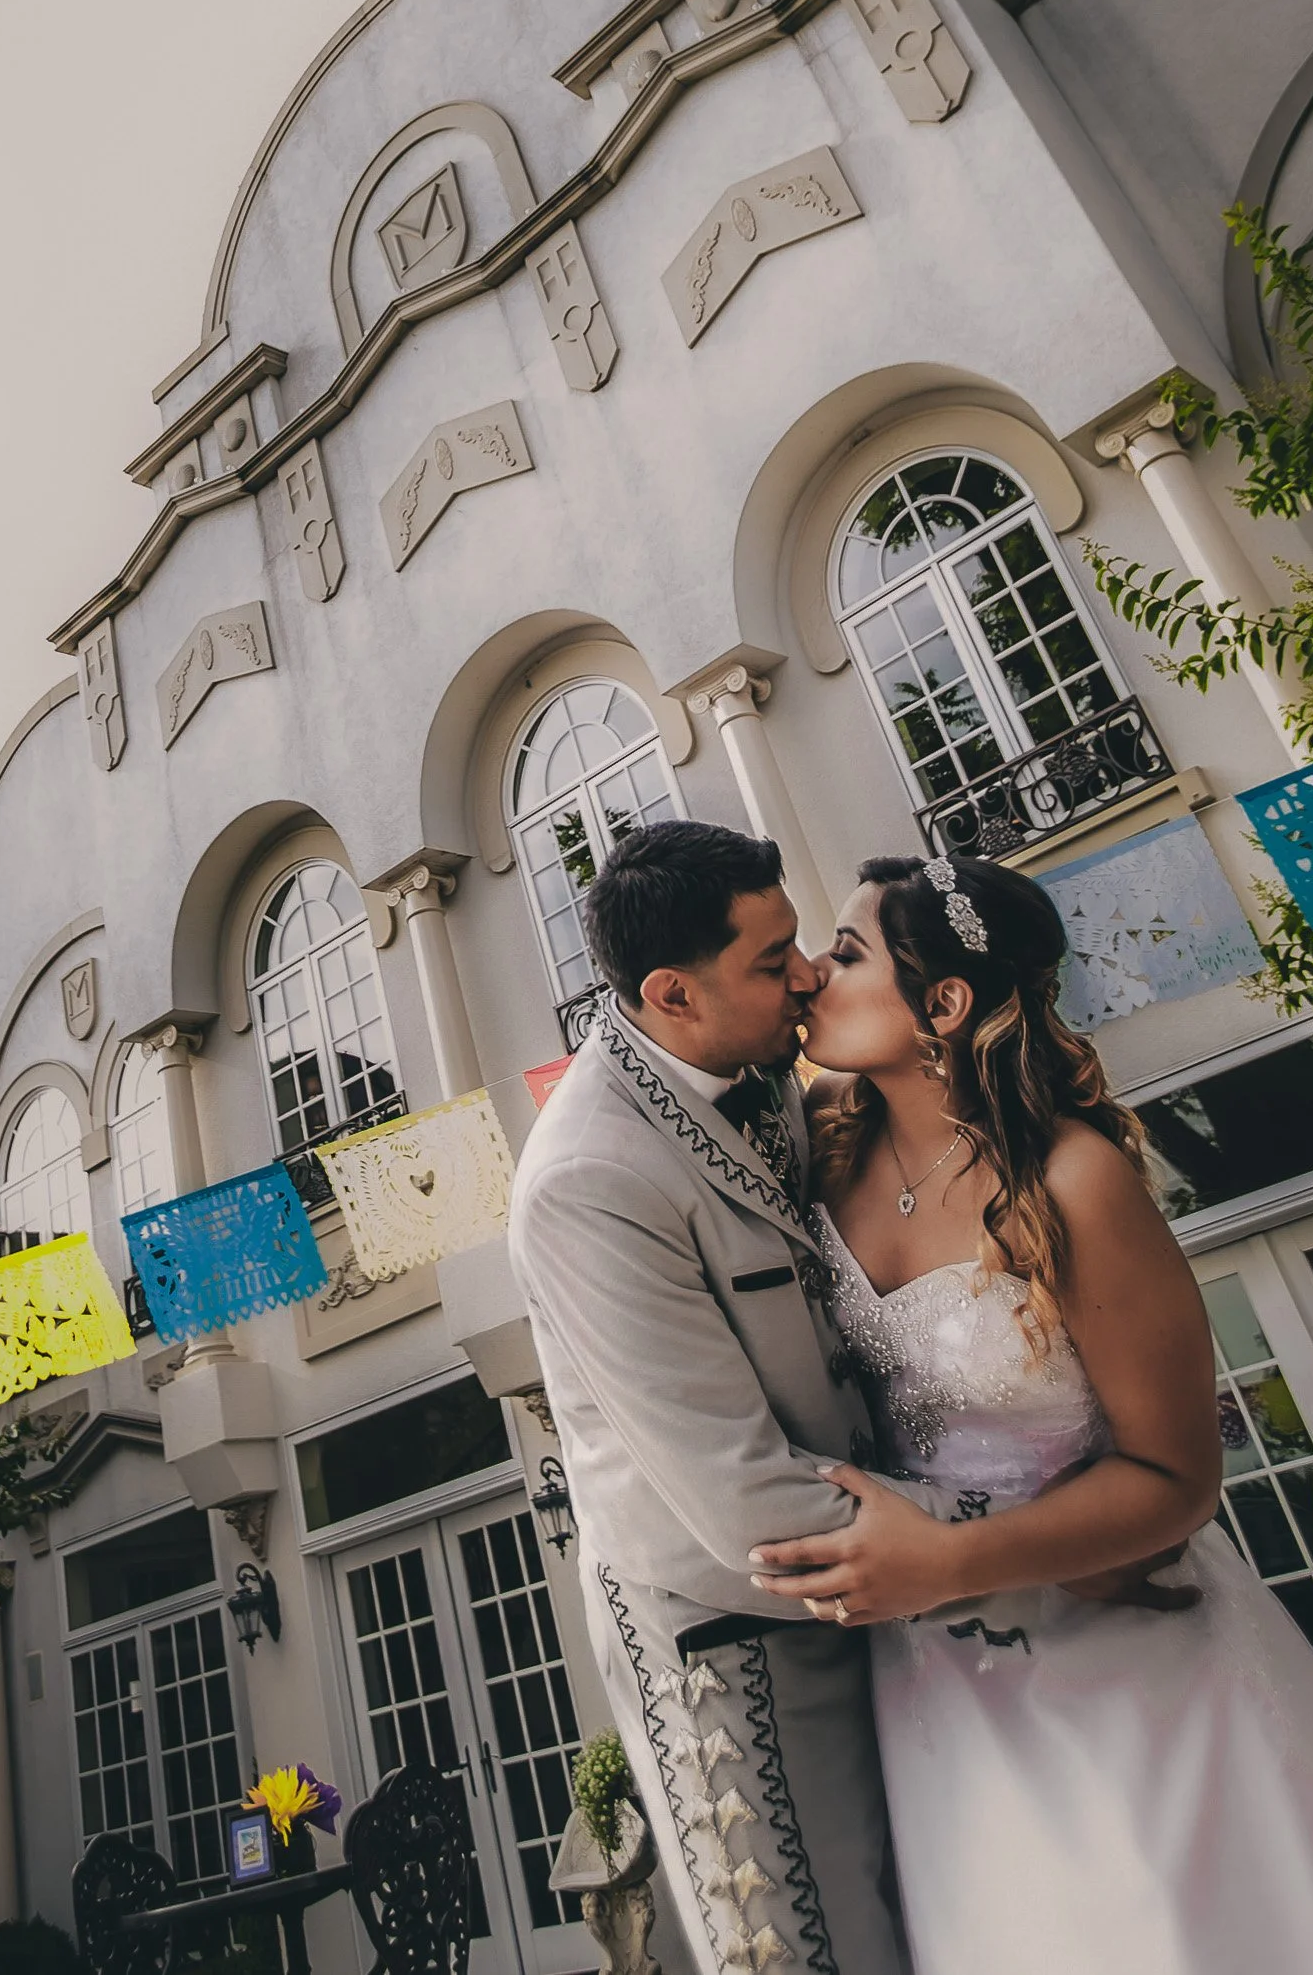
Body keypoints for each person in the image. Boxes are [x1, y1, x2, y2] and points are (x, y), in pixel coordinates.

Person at [749, 849, 1313, 1975]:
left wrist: (950, 1562)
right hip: (936, 1694)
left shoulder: (1074, 1182)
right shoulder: (818, 1153)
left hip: (1123, 1669)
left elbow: (1176, 1478)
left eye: (844, 955)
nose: (808, 976)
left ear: (940, 1001)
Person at [509, 821, 957, 1975]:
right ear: (671, 993)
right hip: (738, 1643)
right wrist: (1013, 1527)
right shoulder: (586, 1180)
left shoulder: (761, 1070)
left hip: (889, 1594)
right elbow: (745, 1497)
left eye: (802, 944)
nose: (807, 973)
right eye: (773, 961)